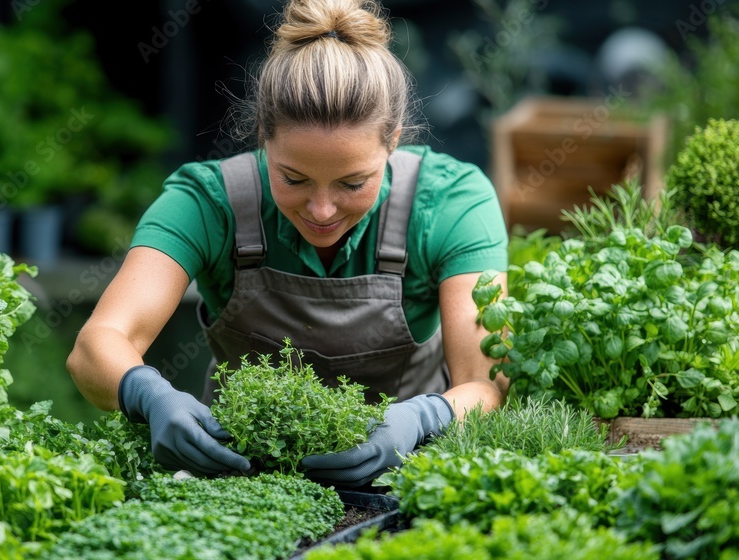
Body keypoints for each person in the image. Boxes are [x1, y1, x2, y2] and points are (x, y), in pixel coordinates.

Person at [66, 0, 509, 487]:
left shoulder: (450, 202)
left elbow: (484, 387)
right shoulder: (207, 202)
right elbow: (95, 346)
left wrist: (420, 421)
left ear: (394, 141)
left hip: (407, 482)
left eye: (351, 183)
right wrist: (148, 395)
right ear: (263, 137)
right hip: (239, 481)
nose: (321, 210)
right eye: (293, 178)